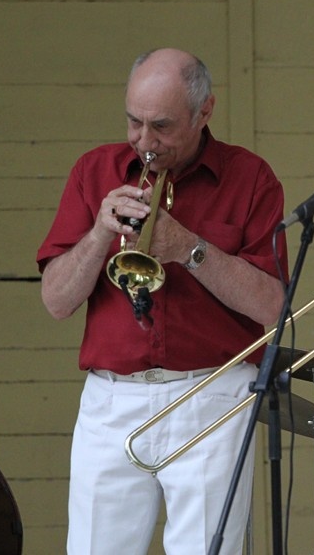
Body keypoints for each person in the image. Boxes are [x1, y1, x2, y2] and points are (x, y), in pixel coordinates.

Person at [37, 48, 288, 555]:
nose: (145, 142)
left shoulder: (251, 178)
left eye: (162, 126)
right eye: (134, 122)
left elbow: (272, 306)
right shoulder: (94, 170)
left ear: (205, 112)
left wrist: (189, 249)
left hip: (211, 395)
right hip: (112, 400)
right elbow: (56, 302)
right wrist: (98, 234)